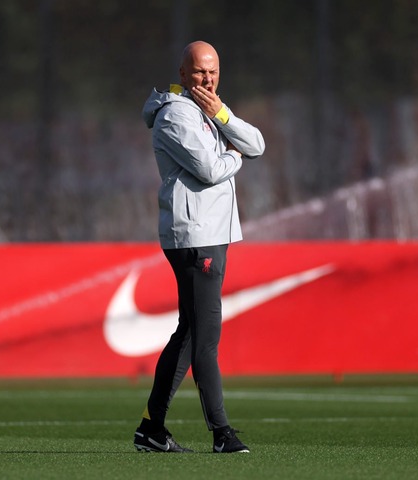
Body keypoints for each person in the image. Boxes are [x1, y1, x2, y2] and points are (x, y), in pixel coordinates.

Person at [135, 40, 265, 454]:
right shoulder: (174, 115)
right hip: (194, 236)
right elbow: (211, 169)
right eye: (198, 72)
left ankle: (151, 429)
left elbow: (257, 143)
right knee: (206, 337)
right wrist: (234, 154)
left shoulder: (208, 111)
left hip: (210, 233)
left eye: (212, 72)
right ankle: (221, 433)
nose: (206, 79)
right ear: (182, 72)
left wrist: (223, 116)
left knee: (191, 334)